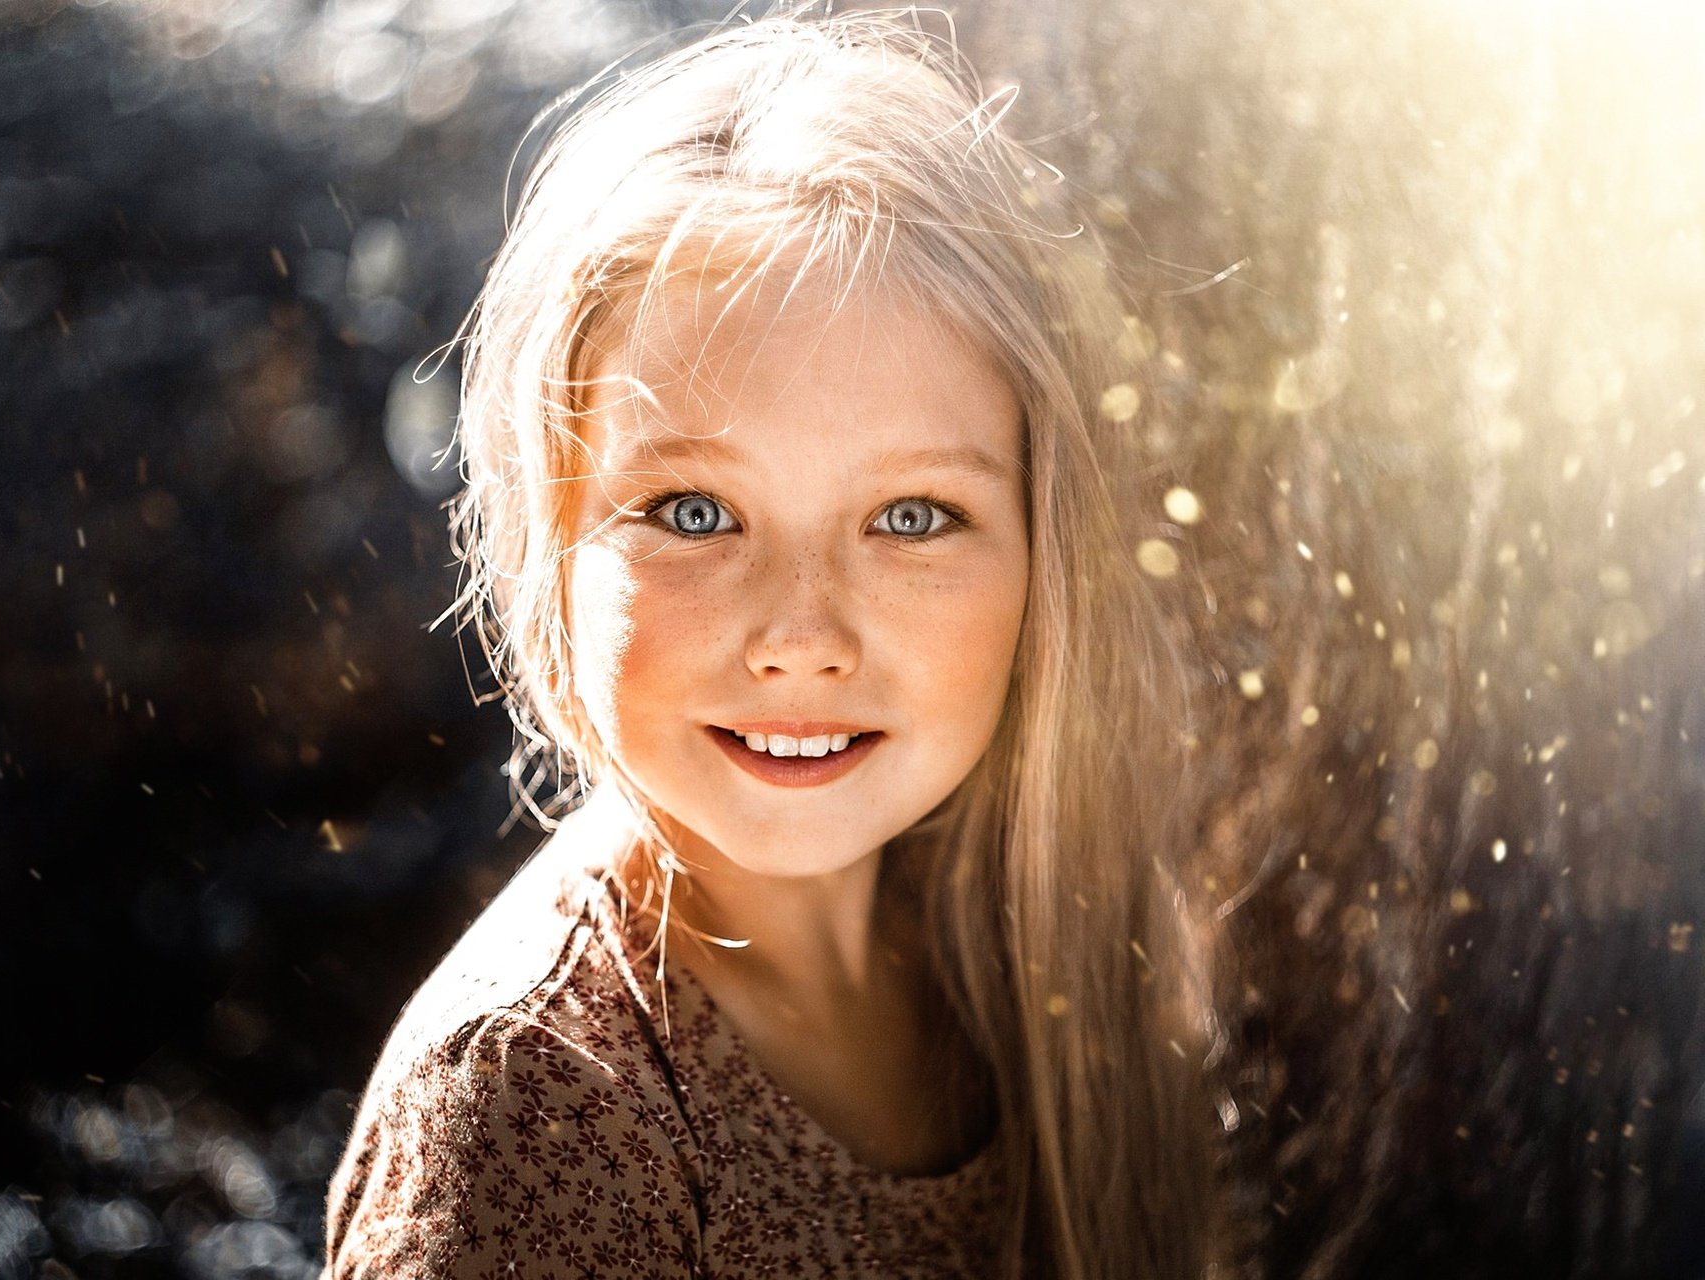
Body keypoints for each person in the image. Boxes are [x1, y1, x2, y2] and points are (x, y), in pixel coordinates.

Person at [324, 9, 1218, 1278]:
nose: (801, 639)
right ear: (549, 530)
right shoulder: (537, 1115)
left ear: (1047, 557)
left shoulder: (1046, 931)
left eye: (912, 517)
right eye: (695, 513)